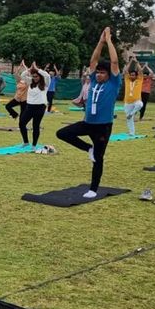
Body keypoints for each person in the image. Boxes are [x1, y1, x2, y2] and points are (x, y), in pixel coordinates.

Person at [56, 27, 121, 198]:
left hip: (103, 127)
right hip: (87, 123)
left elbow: (114, 63)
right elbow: (93, 60)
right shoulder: (93, 80)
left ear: (108, 75)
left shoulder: (113, 83)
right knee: (62, 133)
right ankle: (88, 148)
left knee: (99, 159)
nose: (99, 75)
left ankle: (93, 189)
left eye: (102, 73)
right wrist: (100, 42)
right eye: (98, 72)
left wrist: (108, 41)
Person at [19, 62, 51, 149]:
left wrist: (37, 69)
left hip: (40, 107)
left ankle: (34, 145)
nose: (34, 78)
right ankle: (26, 142)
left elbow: (47, 76)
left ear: (40, 76)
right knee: (22, 123)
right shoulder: (30, 82)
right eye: (33, 76)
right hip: (29, 107)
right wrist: (29, 69)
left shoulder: (45, 84)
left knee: (35, 126)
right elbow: (22, 75)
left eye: (36, 76)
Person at [122, 56, 144, 136]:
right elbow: (125, 71)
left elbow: (141, 71)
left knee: (140, 104)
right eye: (131, 75)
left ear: (136, 76)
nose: (132, 76)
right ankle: (132, 133)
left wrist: (136, 62)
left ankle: (133, 113)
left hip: (136, 101)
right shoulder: (127, 80)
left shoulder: (139, 80)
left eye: (133, 75)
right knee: (129, 119)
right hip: (127, 102)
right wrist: (131, 61)